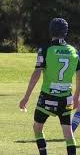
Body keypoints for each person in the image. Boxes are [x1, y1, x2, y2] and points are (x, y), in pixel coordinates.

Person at [19, 18, 80, 155]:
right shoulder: (73, 51)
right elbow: (79, 76)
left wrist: (26, 97)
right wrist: (76, 97)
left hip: (47, 97)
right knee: (68, 133)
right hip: (66, 99)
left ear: (51, 30)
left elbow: (36, 74)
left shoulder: (45, 49)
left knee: (37, 128)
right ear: (65, 32)